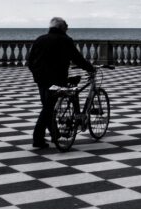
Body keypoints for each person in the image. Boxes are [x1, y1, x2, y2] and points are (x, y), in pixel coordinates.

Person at [27, 17, 95, 148]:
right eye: (66, 25)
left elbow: (30, 61)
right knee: (48, 109)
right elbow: (77, 58)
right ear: (60, 27)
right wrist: (90, 68)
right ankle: (37, 139)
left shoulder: (40, 39)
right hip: (57, 79)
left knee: (48, 107)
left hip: (41, 79)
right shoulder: (65, 40)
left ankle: (55, 135)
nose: (68, 28)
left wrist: (36, 73)